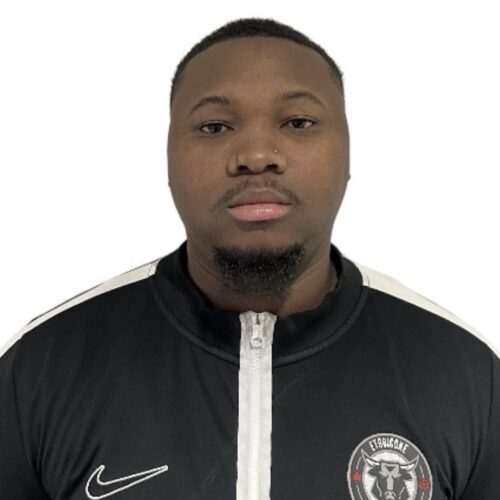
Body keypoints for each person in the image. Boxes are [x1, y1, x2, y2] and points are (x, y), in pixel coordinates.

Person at [0, 16, 497, 500]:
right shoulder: (39, 368)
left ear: (348, 153)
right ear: (168, 158)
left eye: (299, 122)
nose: (256, 155)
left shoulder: (467, 374)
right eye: (214, 126)